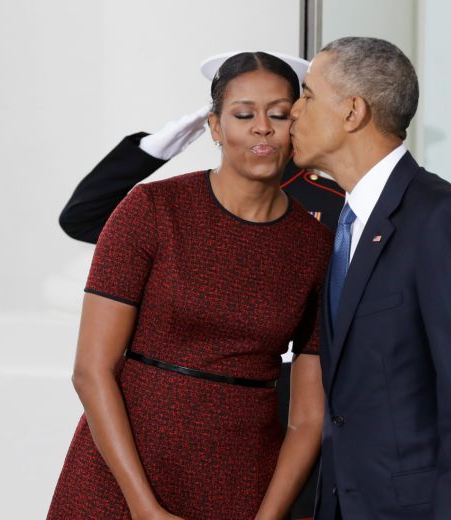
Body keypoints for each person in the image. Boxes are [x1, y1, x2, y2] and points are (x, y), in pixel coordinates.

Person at [56, 52, 344, 520]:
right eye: (244, 115)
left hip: (242, 474)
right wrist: (143, 508)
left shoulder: (316, 244)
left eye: (279, 114)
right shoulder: (152, 209)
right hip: (125, 472)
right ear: (214, 126)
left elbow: (308, 417)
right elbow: (91, 370)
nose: (262, 128)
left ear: (297, 123)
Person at [289, 37, 451, 519]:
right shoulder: (347, 223)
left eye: (308, 95)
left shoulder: (443, 223)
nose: (293, 110)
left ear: (353, 111)